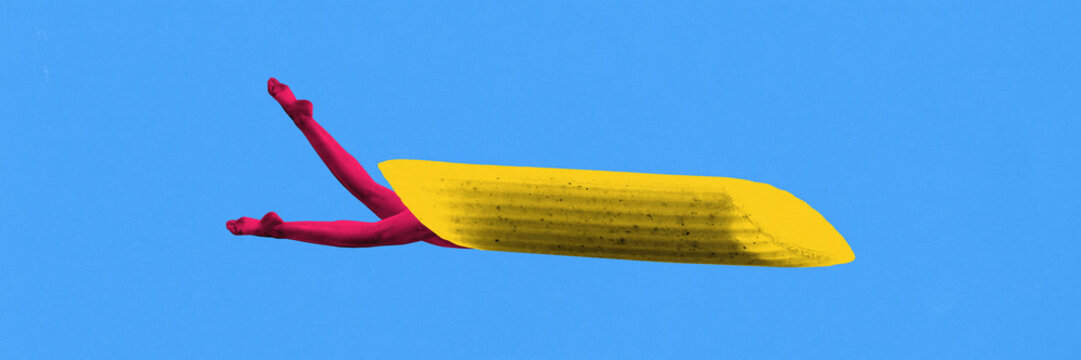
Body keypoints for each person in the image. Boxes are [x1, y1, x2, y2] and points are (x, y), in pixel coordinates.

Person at [226, 78, 468, 249]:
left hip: (475, 225)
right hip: (476, 216)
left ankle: (303, 120)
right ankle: (279, 230)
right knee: (377, 233)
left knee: (369, 193)